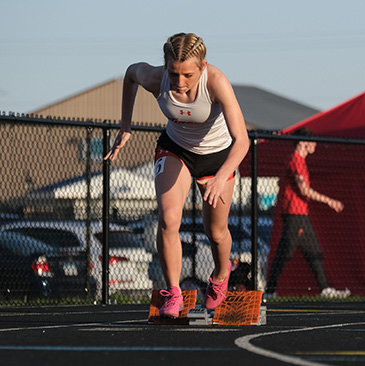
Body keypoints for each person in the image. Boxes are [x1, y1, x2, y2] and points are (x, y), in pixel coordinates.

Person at [104, 33, 250, 317]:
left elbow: (242, 140)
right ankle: (173, 292)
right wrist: (125, 126)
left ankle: (221, 276)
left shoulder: (216, 83)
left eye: (188, 75)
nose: (180, 83)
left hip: (217, 159)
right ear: (166, 66)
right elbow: (131, 74)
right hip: (176, 150)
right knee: (169, 218)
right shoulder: (156, 78)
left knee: (216, 232)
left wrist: (221, 177)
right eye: (174, 73)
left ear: (203, 66)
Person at [264, 128, 350, 299]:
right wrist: (329, 201)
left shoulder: (299, 161)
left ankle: (325, 289)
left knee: (314, 251)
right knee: (285, 252)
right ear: (303, 143)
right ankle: (270, 291)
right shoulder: (296, 160)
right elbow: (304, 190)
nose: (315, 145)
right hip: (295, 214)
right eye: (312, 141)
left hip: (300, 214)